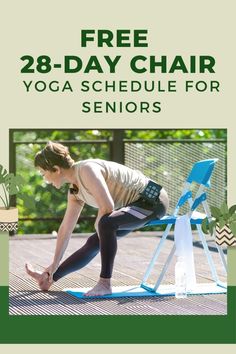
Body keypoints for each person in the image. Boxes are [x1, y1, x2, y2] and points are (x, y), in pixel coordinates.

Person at [26, 141, 169, 296]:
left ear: (56, 169)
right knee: (95, 240)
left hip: (153, 200)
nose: (45, 179)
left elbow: (107, 207)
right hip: (134, 207)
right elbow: (65, 229)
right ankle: (51, 279)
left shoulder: (87, 169)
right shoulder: (74, 191)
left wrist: (99, 226)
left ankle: (105, 284)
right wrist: (53, 267)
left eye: (43, 174)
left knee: (105, 223)